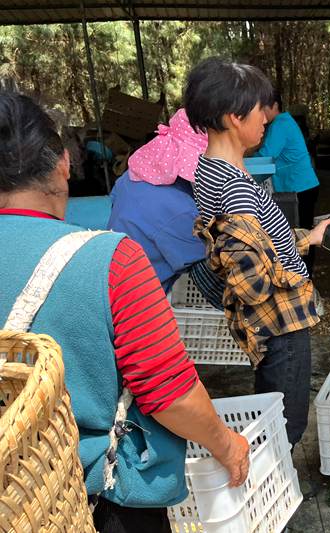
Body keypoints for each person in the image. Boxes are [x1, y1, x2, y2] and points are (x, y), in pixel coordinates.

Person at [0, 91, 249, 533]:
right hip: (86, 496)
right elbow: (171, 396)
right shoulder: (108, 260)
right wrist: (227, 445)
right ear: (63, 164)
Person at [184, 57, 330, 446]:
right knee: (284, 427)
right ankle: (268, 493)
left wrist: (309, 238)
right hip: (281, 325)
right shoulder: (236, 188)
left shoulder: (208, 170)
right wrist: (298, 282)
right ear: (235, 117)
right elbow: (251, 281)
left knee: (270, 407)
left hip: (265, 326)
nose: (266, 118)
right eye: (259, 110)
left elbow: (259, 243)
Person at [107, 108, 215, 295]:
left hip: (112, 279)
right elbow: (210, 283)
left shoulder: (130, 178)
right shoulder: (181, 213)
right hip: (141, 302)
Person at [257, 90, 321, 275]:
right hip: (301, 186)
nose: (261, 115)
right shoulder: (283, 122)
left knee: (303, 234)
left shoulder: (280, 124)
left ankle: (304, 275)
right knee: (302, 231)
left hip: (301, 187)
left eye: (263, 109)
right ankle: (303, 273)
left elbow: (266, 155)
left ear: (275, 105)